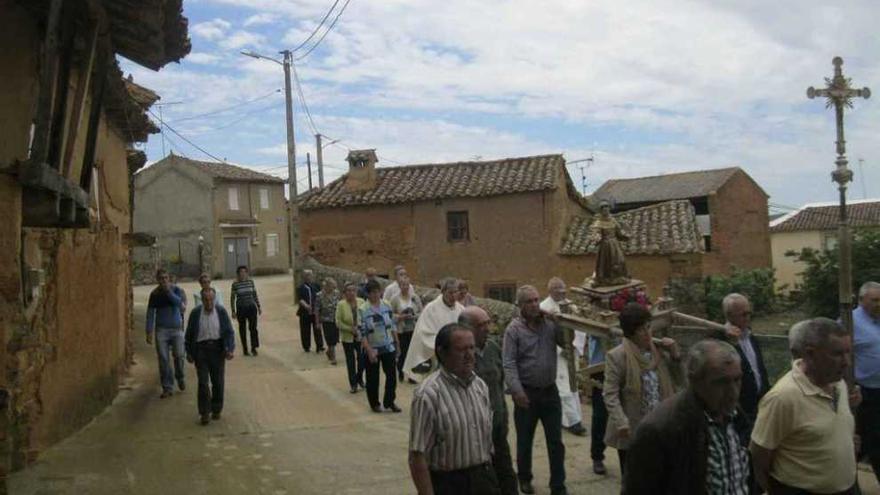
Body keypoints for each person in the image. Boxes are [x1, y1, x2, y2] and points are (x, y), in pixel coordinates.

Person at [623, 340, 752, 495]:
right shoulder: (660, 430)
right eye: (721, 382)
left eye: (737, 380)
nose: (733, 392)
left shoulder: (736, 417)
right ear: (694, 380)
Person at [751, 317, 857, 494]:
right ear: (810, 354)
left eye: (848, 352)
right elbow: (759, 453)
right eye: (837, 354)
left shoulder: (839, 384)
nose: (847, 362)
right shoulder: (782, 397)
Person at [409, 323, 499, 495]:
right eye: (461, 350)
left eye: (472, 348)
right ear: (442, 352)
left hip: (483, 478)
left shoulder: (480, 386)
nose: (469, 355)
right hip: (449, 483)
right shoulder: (428, 395)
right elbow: (417, 456)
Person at [603, 302, 684, 475]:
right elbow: (610, 394)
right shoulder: (618, 357)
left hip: (661, 427)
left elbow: (680, 381)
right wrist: (621, 422)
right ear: (631, 333)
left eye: (648, 327)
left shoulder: (660, 352)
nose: (648, 333)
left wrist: (676, 356)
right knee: (634, 481)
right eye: (641, 330)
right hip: (633, 430)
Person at [503, 285, 568, 495]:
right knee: (524, 440)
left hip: (550, 391)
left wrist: (561, 323)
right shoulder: (513, 330)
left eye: (536, 300)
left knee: (556, 442)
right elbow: (509, 363)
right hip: (526, 393)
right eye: (529, 301)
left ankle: (558, 485)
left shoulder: (549, 324)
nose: (534, 304)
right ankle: (524, 478)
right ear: (520, 305)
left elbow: (567, 342)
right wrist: (517, 390)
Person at [460, 306, 519, 495]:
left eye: (488, 323)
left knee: (507, 478)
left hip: (498, 429)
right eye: (481, 325)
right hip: (474, 437)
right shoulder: (457, 356)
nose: (487, 328)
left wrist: (503, 418)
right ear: (467, 329)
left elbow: (499, 385)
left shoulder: (493, 348)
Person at [539, 277, 588, 437]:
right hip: (557, 355)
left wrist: (574, 346)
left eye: (563, 291)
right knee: (563, 388)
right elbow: (544, 334)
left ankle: (571, 419)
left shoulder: (571, 307)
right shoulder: (543, 308)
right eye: (557, 291)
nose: (561, 294)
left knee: (573, 387)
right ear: (550, 291)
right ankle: (573, 422)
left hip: (571, 352)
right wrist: (562, 350)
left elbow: (580, 328)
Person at [715, 293, 770, 426]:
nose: (747, 318)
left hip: (760, 406)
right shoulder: (718, 340)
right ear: (729, 315)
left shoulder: (750, 336)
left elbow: (759, 369)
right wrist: (731, 342)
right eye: (743, 315)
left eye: (749, 314)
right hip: (737, 409)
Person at [184, 288, 235, 425]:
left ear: (215, 299)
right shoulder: (195, 314)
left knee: (218, 381)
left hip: (217, 349)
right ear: (201, 300)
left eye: (211, 299)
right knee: (203, 382)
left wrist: (230, 348)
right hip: (201, 350)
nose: (209, 302)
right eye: (206, 300)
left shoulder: (221, 312)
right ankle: (205, 412)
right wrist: (188, 352)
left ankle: (216, 408)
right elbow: (189, 335)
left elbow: (229, 332)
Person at [403, 278, 465, 382]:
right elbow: (423, 333)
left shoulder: (461, 310)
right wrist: (444, 345)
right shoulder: (431, 309)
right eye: (450, 293)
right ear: (443, 291)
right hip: (436, 357)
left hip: (456, 357)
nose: (453, 296)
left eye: (455, 292)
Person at [359, 279, 402, 413]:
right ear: (368, 294)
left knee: (391, 376)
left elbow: (392, 325)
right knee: (373, 378)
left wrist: (397, 342)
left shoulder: (387, 305)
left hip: (388, 346)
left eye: (377, 292)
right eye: (372, 292)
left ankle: (389, 401)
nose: (375, 295)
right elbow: (362, 333)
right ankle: (375, 404)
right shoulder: (363, 309)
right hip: (372, 348)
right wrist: (369, 350)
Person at [854, 281, 880, 483]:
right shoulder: (849, 321)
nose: (879, 304)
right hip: (864, 394)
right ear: (861, 300)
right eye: (875, 300)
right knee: (862, 442)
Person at [146, 268, 187, 398]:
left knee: (179, 355)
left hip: (176, 329)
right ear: (157, 280)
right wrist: (149, 331)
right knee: (163, 359)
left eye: (166, 278)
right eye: (161, 278)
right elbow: (150, 313)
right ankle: (167, 387)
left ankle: (180, 376)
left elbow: (180, 305)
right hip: (161, 330)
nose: (164, 280)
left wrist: (168, 292)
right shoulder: (154, 294)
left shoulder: (176, 290)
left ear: (169, 279)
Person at [590, 200, 630, 287]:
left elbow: (619, 233)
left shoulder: (613, 221)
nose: (605, 209)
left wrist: (625, 235)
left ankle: (619, 277)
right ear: (600, 211)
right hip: (605, 246)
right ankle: (605, 279)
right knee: (605, 263)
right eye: (603, 208)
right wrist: (597, 237)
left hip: (615, 244)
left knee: (620, 260)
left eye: (607, 207)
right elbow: (596, 233)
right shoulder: (598, 223)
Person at [391, 276, 423, 381]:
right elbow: (390, 314)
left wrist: (413, 316)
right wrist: (400, 317)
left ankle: (412, 376)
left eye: (407, 285)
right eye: (403, 285)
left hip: (413, 328)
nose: (405, 287)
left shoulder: (415, 298)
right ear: (399, 286)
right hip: (401, 329)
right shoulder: (395, 299)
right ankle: (400, 370)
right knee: (403, 352)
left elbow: (421, 312)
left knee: (413, 352)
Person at [336, 281, 366, 393]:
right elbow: (338, 322)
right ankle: (353, 384)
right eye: (349, 291)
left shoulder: (362, 302)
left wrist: (360, 328)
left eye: (353, 290)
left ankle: (359, 378)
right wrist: (350, 329)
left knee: (362, 359)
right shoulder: (341, 304)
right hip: (347, 337)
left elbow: (365, 316)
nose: (351, 293)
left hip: (360, 336)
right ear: (344, 293)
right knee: (350, 361)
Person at [587, 328, 609, 475]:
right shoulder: (596, 310)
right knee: (600, 416)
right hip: (600, 368)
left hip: (623, 362)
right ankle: (597, 456)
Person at [230, 265, 262, 356]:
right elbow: (232, 298)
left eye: (244, 272)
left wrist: (258, 306)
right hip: (241, 308)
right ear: (238, 274)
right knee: (242, 329)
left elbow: (255, 294)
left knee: (253, 328)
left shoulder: (250, 282)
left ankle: (254, 348)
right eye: (241, 273)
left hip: (251, 308)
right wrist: (233, 311)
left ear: (247, 273)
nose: (243, 274)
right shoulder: (235, 284)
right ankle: (245, 348)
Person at [316, 277, 341, 365]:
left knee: (335, 338)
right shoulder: (319, 295)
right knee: (330, 338)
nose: (333, 288)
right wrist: (317, 322)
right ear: (326, 286)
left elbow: (340, 305)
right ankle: (333, 358)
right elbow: (317, 309)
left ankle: (329, 351)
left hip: (336, 319)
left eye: (334, 287)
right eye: (332, 286)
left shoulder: (337, 293)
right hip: (326, 320)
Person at [296, 269, 323, 353]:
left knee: (317, 329)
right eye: (307, 275)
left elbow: (320, 296)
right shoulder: (301, 288)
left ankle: (319, 345)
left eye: (310, 275)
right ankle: (306, 346)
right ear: (303, 277)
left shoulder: (316, 286)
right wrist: (306, 306)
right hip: (305, 312)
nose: (309, 277)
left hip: (315, 312)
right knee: (305, 330)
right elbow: (300, 299)